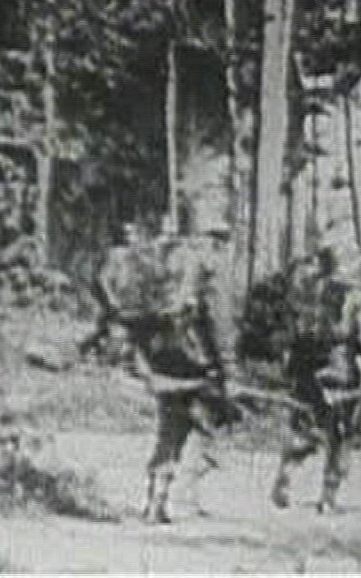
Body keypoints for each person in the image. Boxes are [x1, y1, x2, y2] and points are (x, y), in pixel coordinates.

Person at [138, 216, 238, 523]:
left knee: (170, 426)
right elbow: (220, 319)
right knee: (216, 424)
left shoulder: (166, 255)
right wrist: (229, 368)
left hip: (162, 354)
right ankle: (186, 495)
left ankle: (156, 499)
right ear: (217, 238)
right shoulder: (210, 263)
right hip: (197, 358)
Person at [270, 245, 361, 513]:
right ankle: (327, 496)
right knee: (339, 434)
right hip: (340, 370)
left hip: (307, 369)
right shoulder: (355, 296)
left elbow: (292, 335)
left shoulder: (307, 292)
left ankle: (286, 475)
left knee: (305, 427)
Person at [79, 221, 148, 360]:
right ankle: (98, 353)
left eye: (134, 233)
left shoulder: (133, 254)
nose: (133, 237)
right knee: (117, 331)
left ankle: (91, 349)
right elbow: (102, 278)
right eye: (129, 234)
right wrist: (111, 299)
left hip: (128, 299)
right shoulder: (115, 253)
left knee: (119, 330)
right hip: (116, 300)